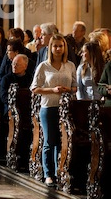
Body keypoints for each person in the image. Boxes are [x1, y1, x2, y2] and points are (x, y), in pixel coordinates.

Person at [30, 33, 76, 188]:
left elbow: (76, 87)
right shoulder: (44, 66)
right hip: (48, 107)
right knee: (50, 140)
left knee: (62, 141)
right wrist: (52, 89)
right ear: (50, 48)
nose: (58, 49)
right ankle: (48, 174)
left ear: (64, 48)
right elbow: (34, 88)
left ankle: (59, 171)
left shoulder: (70, 65)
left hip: (65, 108)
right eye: (55, 46)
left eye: (60, 46)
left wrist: (67, 89)